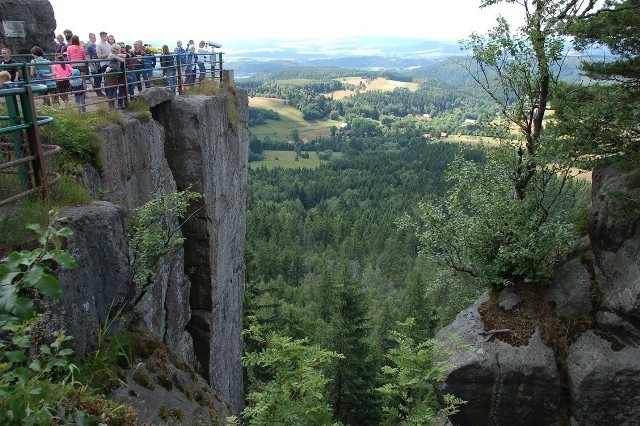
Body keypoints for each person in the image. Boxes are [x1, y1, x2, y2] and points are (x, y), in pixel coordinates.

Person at [104, 44, 125, 108]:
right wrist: (120, 56)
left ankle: (113, 104)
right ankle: (111, 105)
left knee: (113, 89)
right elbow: (123, 60)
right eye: (119, 49)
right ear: (116, 50)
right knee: (112, 89)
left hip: (114, 74)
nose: (120, 50)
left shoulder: (113, 55)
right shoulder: (112, 55)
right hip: (111, 74)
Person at [95, 31, 111, 96]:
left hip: (110, 63)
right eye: (106, 36)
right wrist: (108, 54)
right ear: (102, 36)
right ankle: (108, 94)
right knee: (106, 79)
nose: (107, 37)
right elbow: (99, 56)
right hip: (104, 64)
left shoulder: (108, 44)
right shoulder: (99, 45)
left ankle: (110, 93)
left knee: (110, 78)